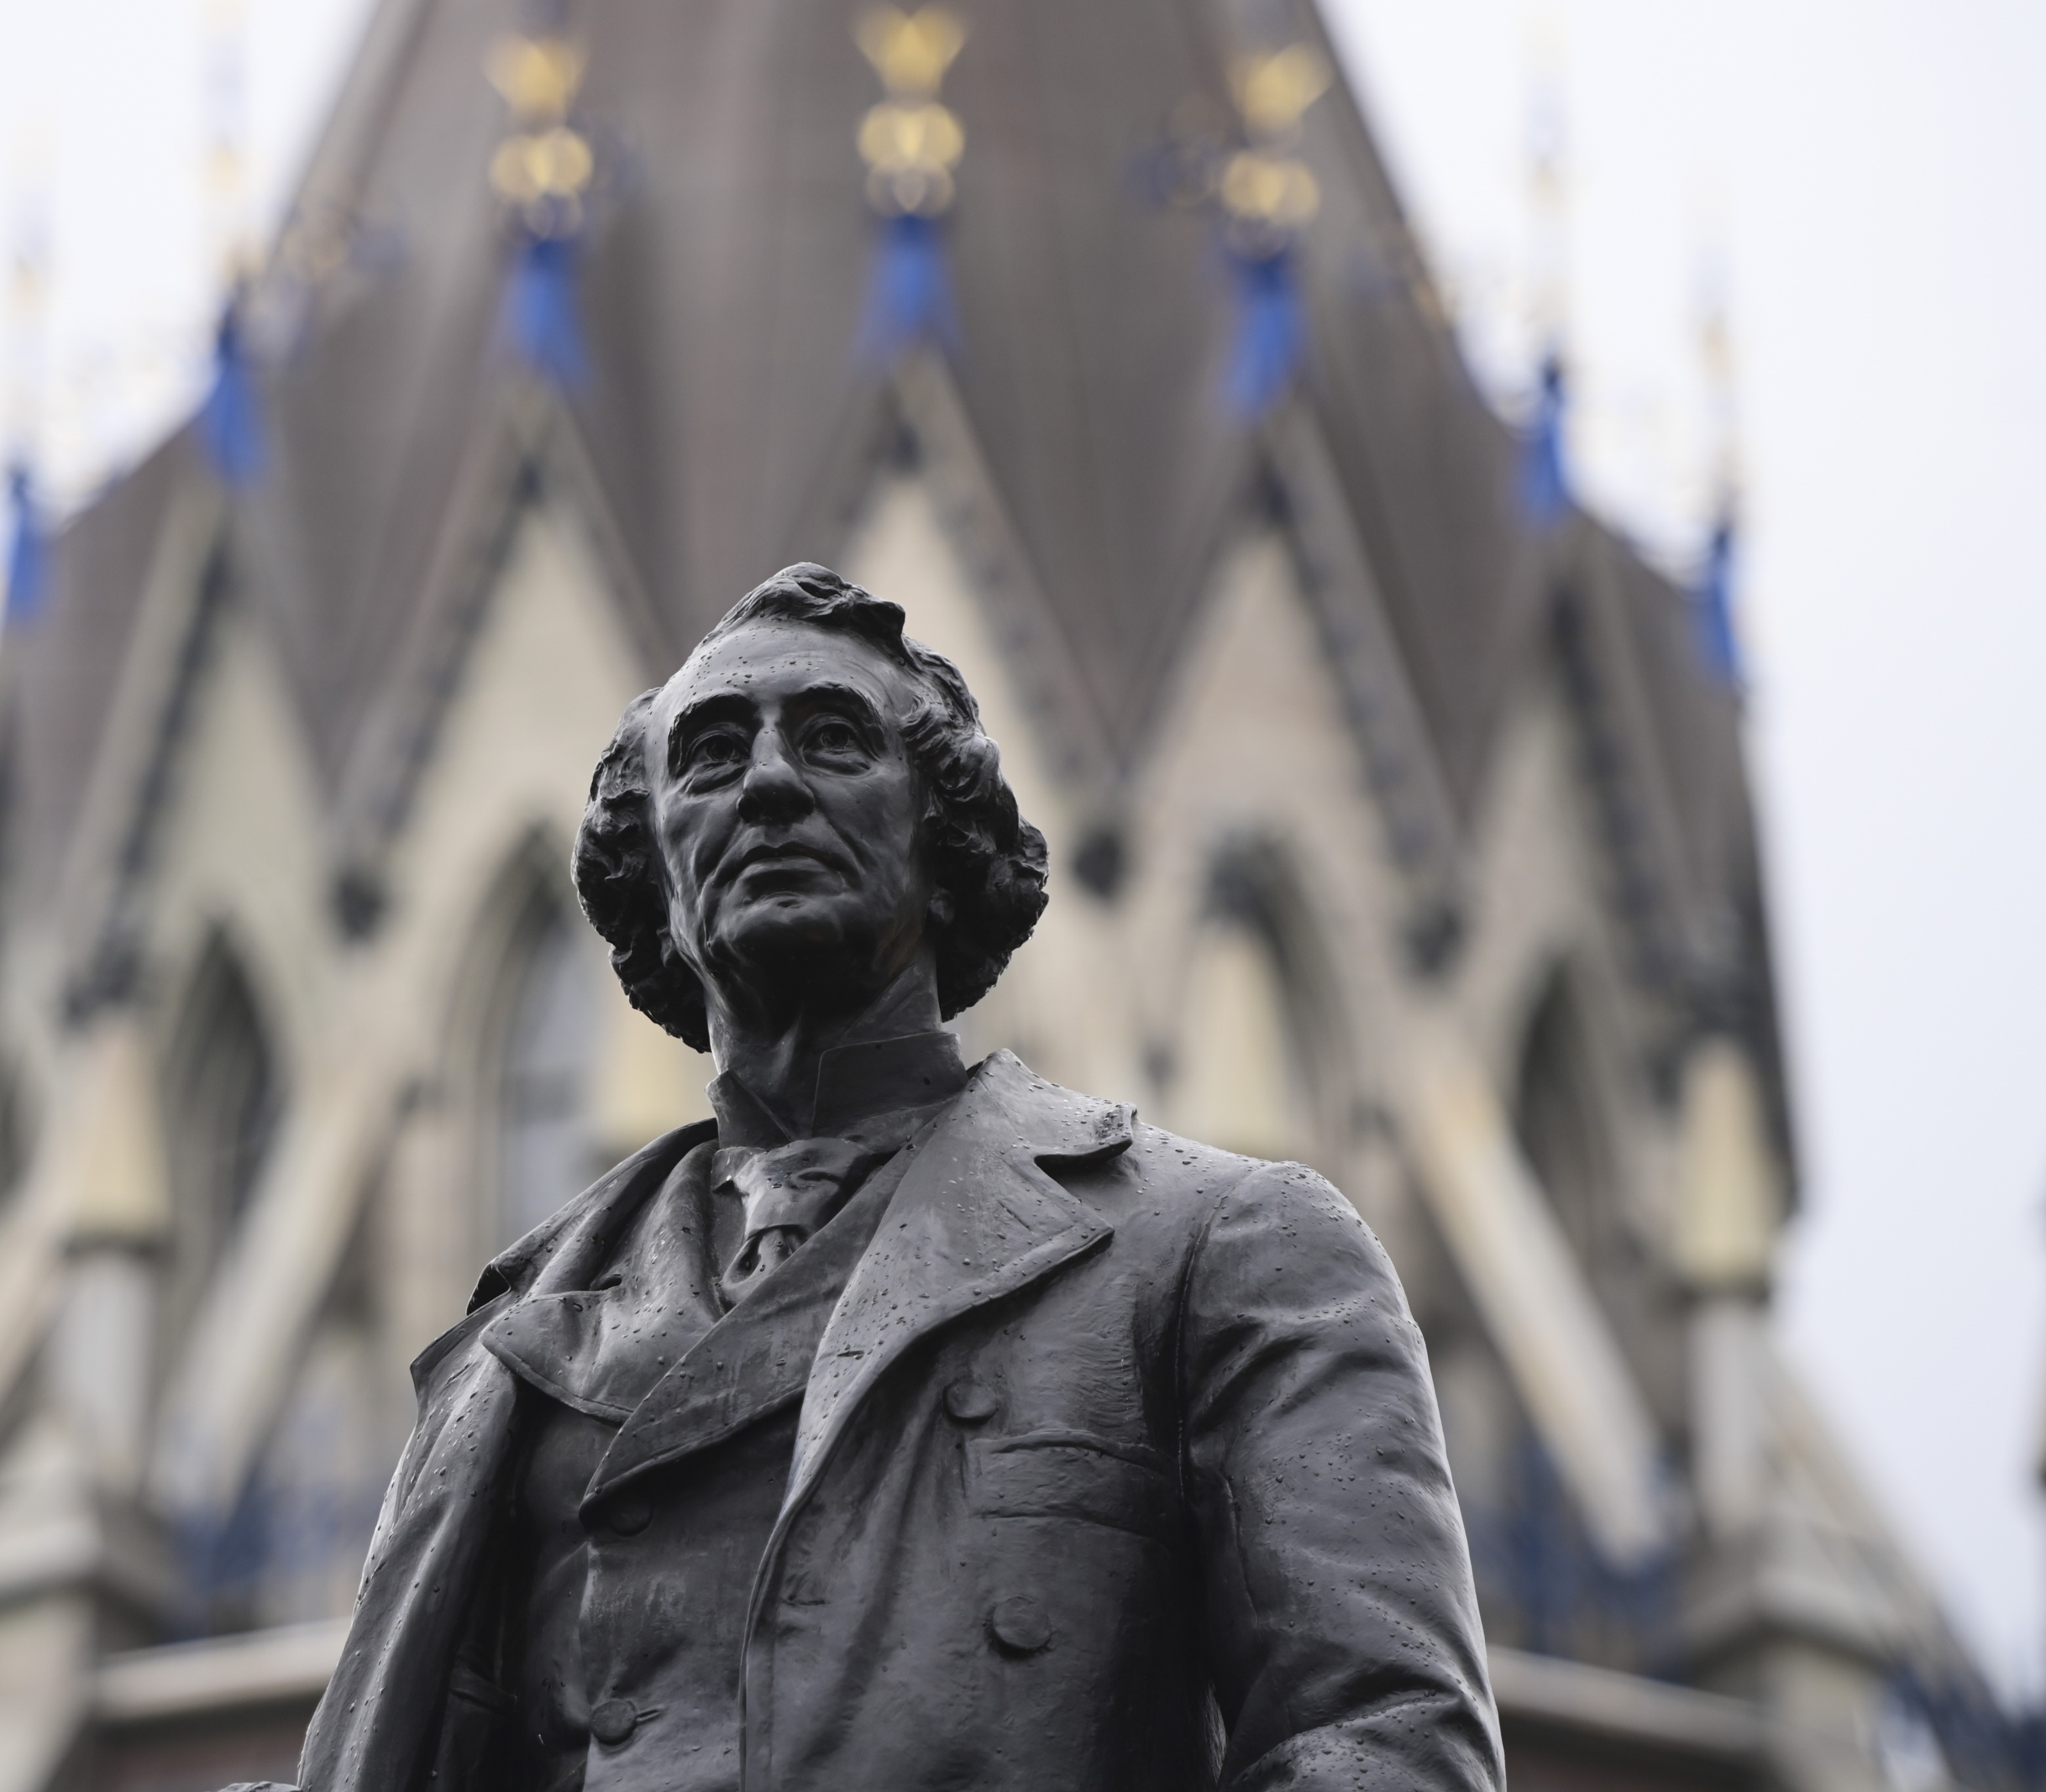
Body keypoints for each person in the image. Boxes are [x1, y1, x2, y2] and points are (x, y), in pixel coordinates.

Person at [293, 563, 1500, 1792]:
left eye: (832, 740)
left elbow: (1383, 1744)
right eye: (710, 756)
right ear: (654, 882)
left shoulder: (1221, 1244)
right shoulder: (512, 1347)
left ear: (946, 839)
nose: (768, 781)